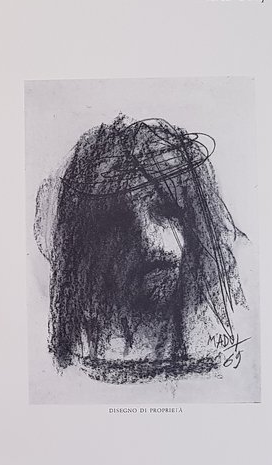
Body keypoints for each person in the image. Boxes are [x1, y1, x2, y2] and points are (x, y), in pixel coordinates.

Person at [34, 115, 246, 384]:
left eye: (167, 210)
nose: (150, 241)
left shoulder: (216, 356)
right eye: (118, 222)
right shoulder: (77, 371)